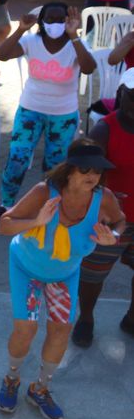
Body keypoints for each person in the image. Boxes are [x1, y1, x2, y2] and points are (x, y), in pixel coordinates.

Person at [0, 139, 124, 419]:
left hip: (64, 274)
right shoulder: (44, 192)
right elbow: (5, 224)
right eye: (86, 170)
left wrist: (112, 237)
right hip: (26, 268)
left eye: (98, 171)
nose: (93, 176)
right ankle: (11, 379)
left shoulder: (104, 198)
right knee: (25, 329)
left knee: (61, 331)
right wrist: (36, 221)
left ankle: (40, 388)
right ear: (70, 169)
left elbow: (120, 221)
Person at [0, 4, 96, 232]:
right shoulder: (31, 42)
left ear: (68, 21)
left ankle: (50, 209)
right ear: (42, 21)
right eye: (50, 19)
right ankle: (5, 206)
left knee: (55, 165)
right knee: (18, 158)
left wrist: (74, 36)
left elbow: (89, 67)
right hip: (31, 110)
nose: (55, 24)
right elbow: (1, 54)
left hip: (63, 114)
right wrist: (20, 30)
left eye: (60, 19)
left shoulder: (75, 45)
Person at [74, 69, 134, 347]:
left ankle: (132, 317)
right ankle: (86, 318)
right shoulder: (104, 130)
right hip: (108, 218)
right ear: (121, 95)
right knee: (93, 276)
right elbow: (84, 175)